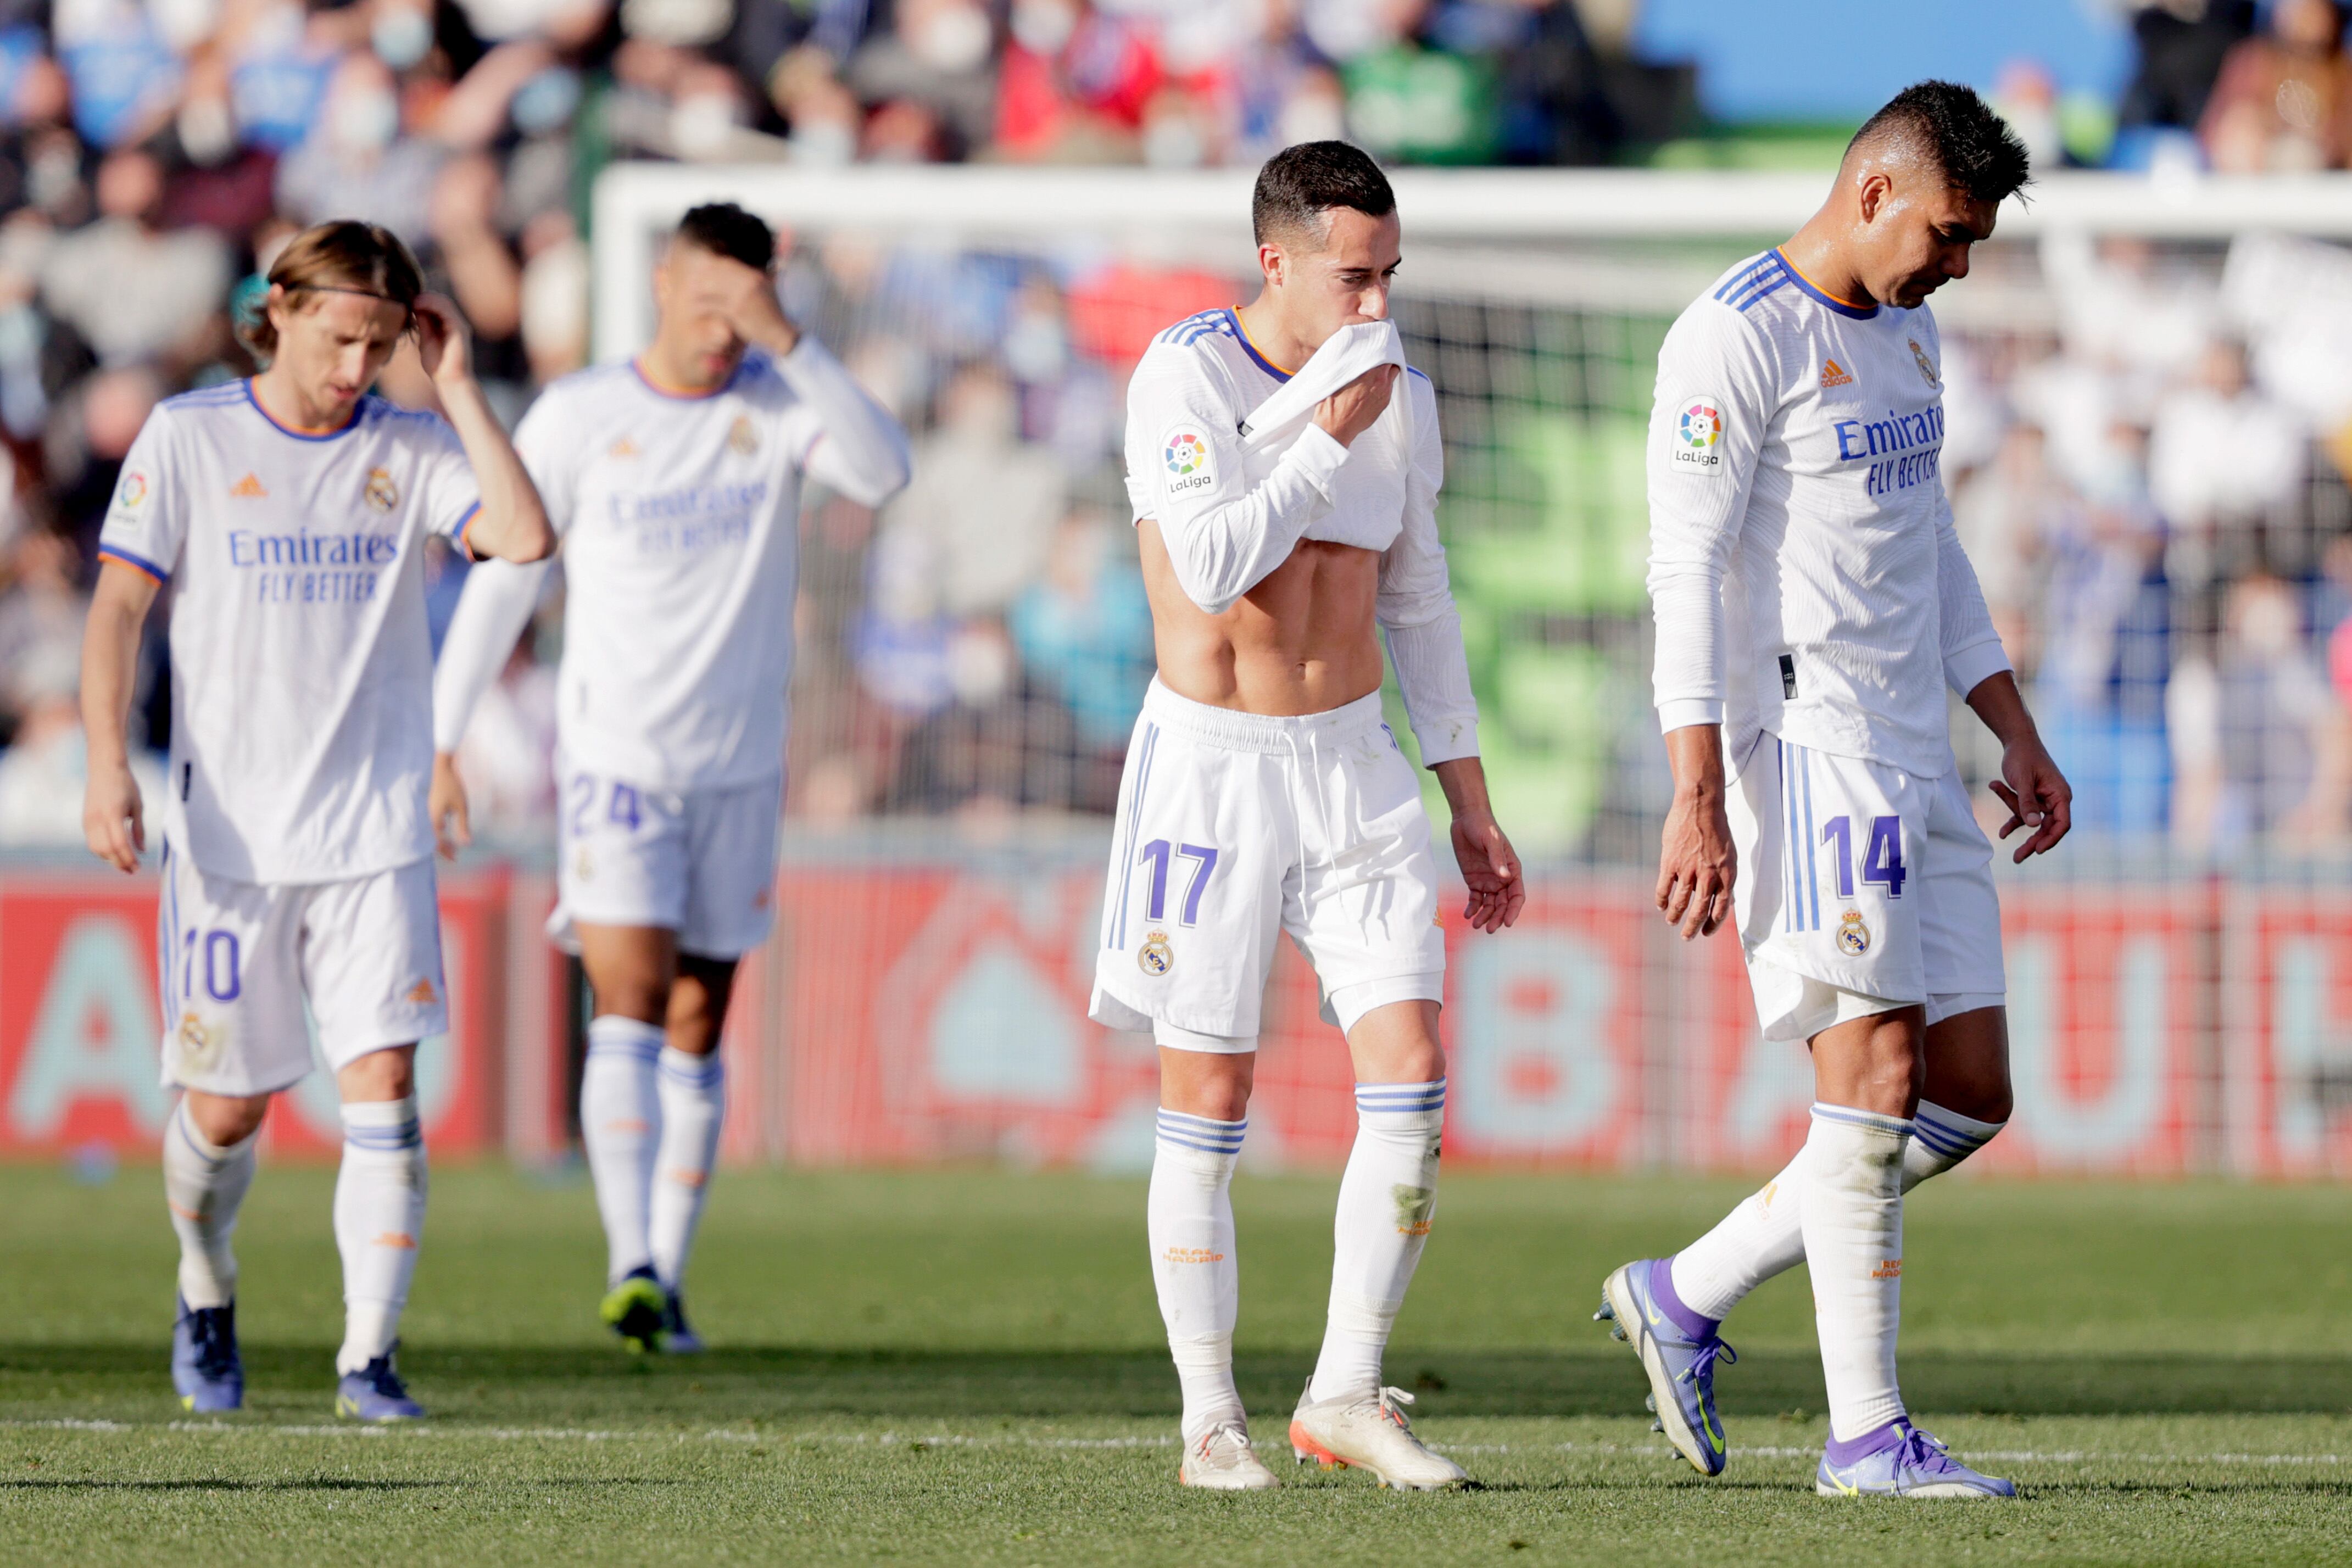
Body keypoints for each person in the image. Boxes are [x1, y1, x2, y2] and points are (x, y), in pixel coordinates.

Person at [1609, 81, 2069, 1501]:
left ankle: (1686, 1293)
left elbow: (1926, 551)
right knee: (1866, 1084)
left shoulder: (1911, 332)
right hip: (1805, 748)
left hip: (1917, 746)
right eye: (1947, 231)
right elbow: (1679, 572)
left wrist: (2011, 725)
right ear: (1873, 189)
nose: (1958, 264)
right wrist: (1696, 794)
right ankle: (1866, 1439)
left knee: (1968, 1097)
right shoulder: (1734, 336)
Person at [1097, 141, 1522, 1492]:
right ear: (1273, 260)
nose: (1375, 307)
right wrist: (1318, 435)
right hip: (1212, 769)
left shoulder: (1401, 391)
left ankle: (1343, 1389)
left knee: (1410, 1073)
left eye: (1390, 275)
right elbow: (1215, 560)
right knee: (1207, 1094)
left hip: (1352, 762)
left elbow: (1417, 596)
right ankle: (1208, 1416)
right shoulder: (1185, 373)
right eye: (1353, 278)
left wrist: (1468, 797)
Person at [79, 220, 555, 1421]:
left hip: (374, 832)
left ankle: (367, 1360)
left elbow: (525, 536)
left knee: (383, 1089)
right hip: (232, 837)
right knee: (229, 1109)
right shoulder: (191, 436)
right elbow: (117, 608)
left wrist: (453, 386)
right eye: (343, 337)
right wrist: (104, 764)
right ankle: (206, 1284)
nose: (357, 367)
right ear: (279, 309)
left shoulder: (408, 443)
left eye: (383, 344)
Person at [430, 203, 911, 1353]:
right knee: (630, 1002)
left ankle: (668, 1277)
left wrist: (787, 340)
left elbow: (884, 473)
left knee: (700, 1020)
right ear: (660, 282)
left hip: (739, 765)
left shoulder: (776, 403)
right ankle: (628, 1258)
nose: (720, 328)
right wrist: (442, 739)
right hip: (615, 758)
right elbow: (506, 570)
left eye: (743, 305)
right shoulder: (584, 414)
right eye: (706, 300)